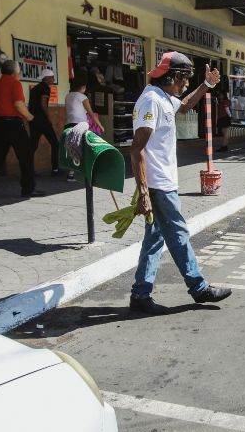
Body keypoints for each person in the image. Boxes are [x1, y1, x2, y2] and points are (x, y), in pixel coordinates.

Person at [129, 51, 232, 314]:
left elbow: (185, 105)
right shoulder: (151, 100)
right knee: (178, 234)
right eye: (186, 78)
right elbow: (137, 148)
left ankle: (140, 294)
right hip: (157, 184)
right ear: (174, 76)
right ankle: (198, 288)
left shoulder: (164, 98)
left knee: (154, 239)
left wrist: (206, 85)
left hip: (163, 182)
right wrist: (143, 192)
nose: (187, 82)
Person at [0, 60, 44, 200]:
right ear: (15, 72)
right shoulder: (15, 83)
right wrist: (31, 118)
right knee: (25, 157)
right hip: (13, 124)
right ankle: (27, 189)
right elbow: (18, 105)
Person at [64, 77, 104, 181]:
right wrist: (100, 126)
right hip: (80, 125)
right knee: (85, 147)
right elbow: (91, 114)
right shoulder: (83, 97)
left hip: (69, 124)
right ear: (83, 87)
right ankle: (88, 169)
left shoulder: (68, 96)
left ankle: (71, 174)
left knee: (73, 148)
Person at [28, 69, 59, 176]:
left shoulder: (35, 88)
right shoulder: (45, 87)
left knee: (32, 146)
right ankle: (55, 169)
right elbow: (43, 103)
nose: (53, 79)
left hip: (33, 121)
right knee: (55, 143)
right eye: (52, 77)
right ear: (46, 78)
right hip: (42, 121)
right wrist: (48, 117)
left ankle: (29, 170)